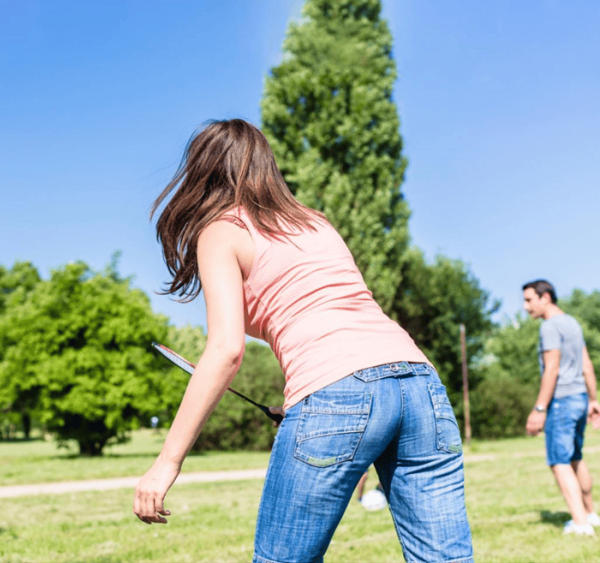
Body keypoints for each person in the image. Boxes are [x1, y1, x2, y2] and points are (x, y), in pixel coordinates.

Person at [133, 119, 473, 562]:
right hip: (420, 383)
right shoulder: (313, 222)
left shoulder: (221, 230)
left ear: (202, 172)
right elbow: (325, 313)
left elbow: (226, 349)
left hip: (337, 390)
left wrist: (167, 462)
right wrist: (304, 406)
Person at [523, 279, 600, 536]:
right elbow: (587, 365)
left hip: (562, 401)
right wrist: (593, 400)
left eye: (529, 300)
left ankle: (580, 524)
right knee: (575, 457)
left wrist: (540, 408)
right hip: (580, 398)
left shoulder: (550, 326)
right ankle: (590, 514)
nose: (525, 306)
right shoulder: (572, 323)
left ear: (545, 297)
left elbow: (552, 369)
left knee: (559, 461)